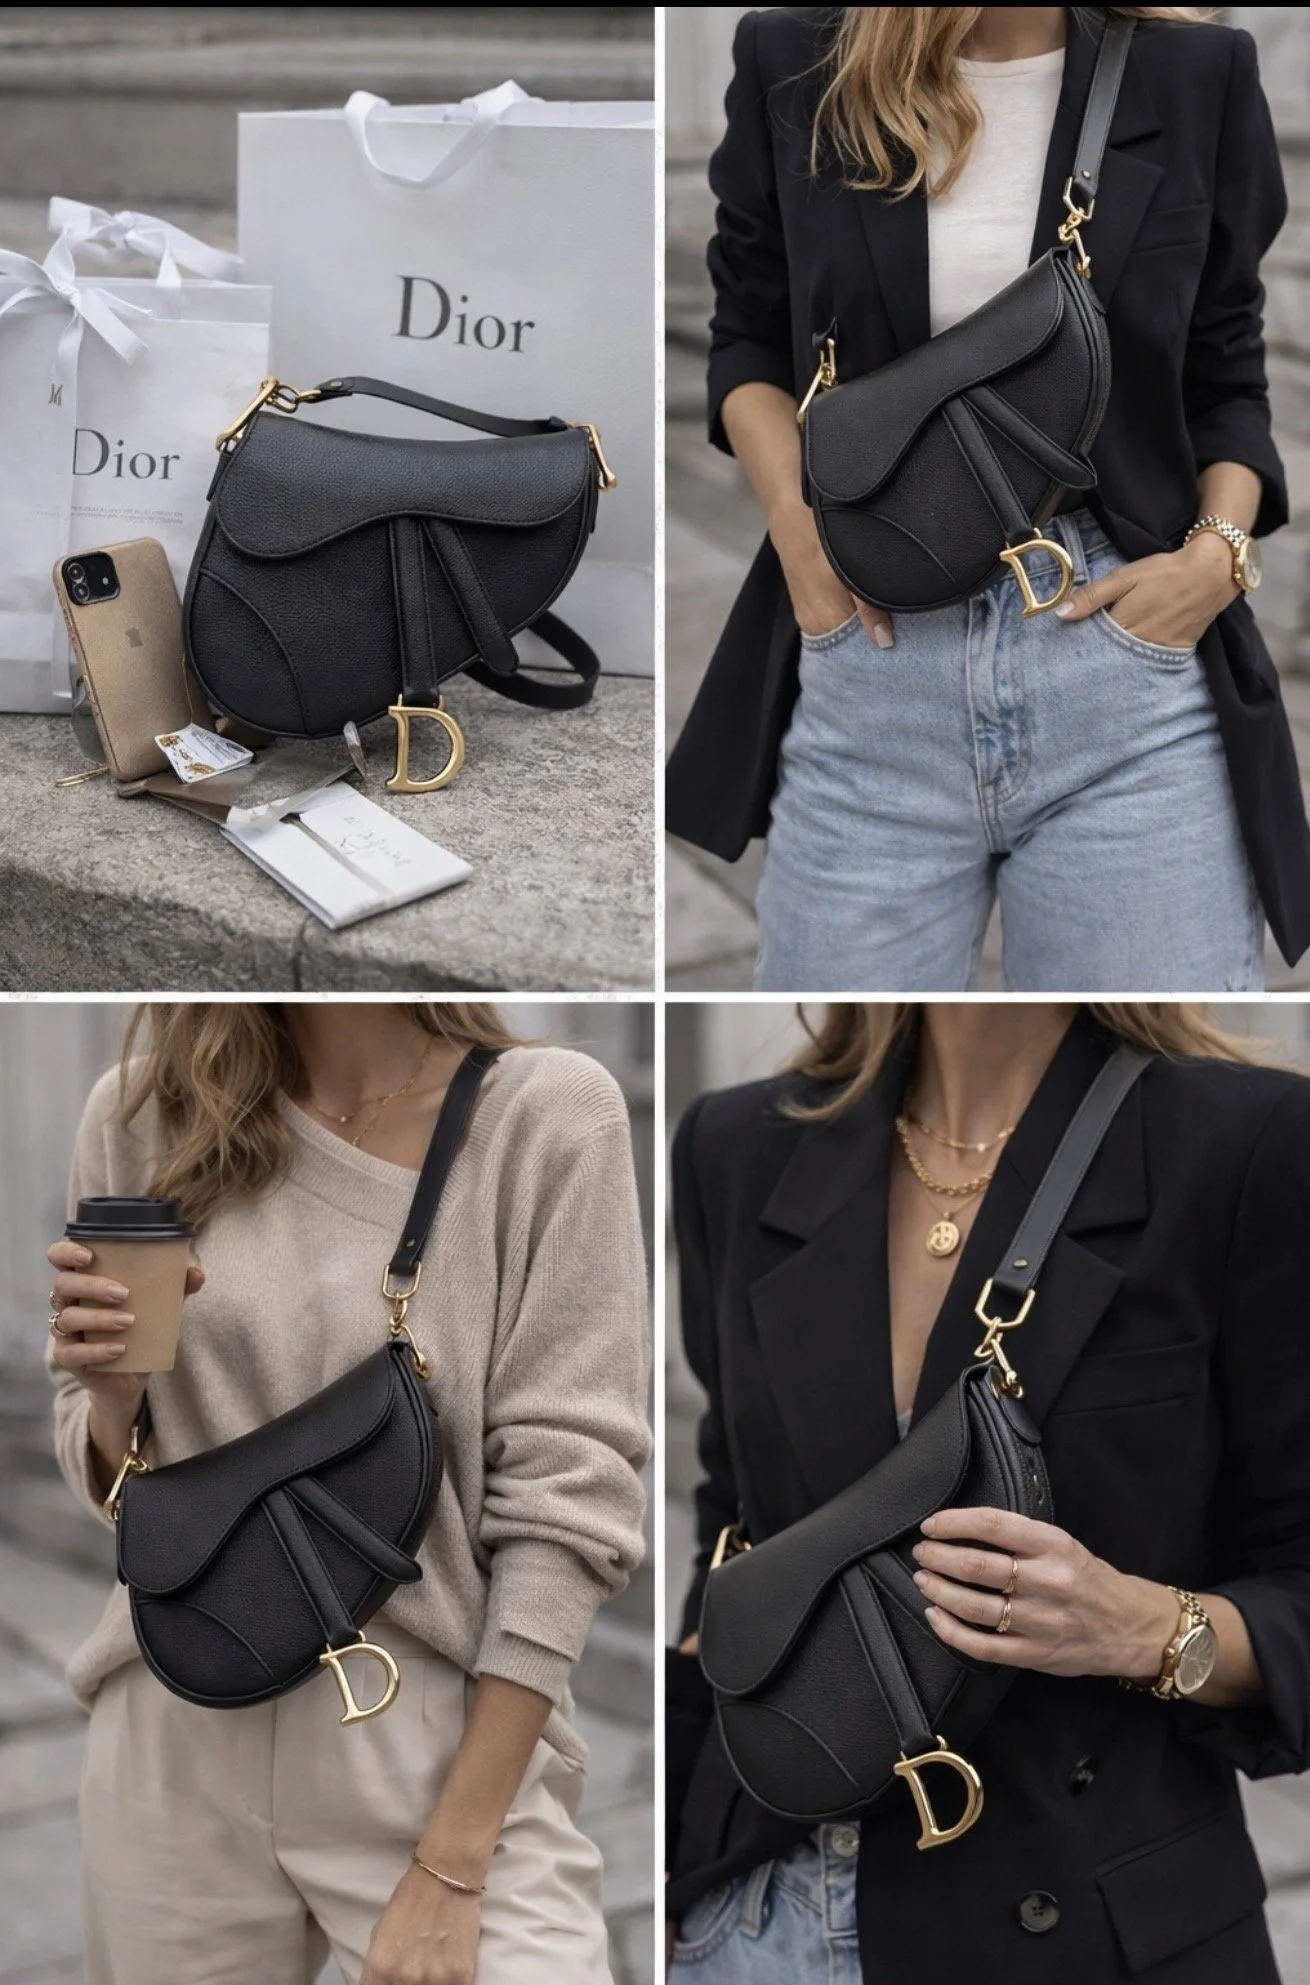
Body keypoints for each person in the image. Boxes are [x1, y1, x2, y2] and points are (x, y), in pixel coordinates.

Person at [665, 5, 1310, 991]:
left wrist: (1215, 558)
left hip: (1123, 671)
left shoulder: (1194, 72)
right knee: (854, 1053)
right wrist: (801, 540)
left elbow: (1223, 368)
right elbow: (748, 336)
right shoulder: (796, 58)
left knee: (1127, 1044)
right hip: (874, 664)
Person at [667, 1002, 1310, 1983]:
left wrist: (1141, 1626)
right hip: (751, 1923)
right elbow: (733, 1520)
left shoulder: (1245, 1142)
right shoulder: (735, 1144)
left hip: (1082, 1928)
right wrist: (680, 1853)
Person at [46, 1001, 651, 1985]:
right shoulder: (143, 1113)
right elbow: (119, 1485)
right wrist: (113, 1401)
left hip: (431, 1726)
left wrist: (454, 1862)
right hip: (174, 1723)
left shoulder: (542, 1115)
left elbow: (570, 1497)